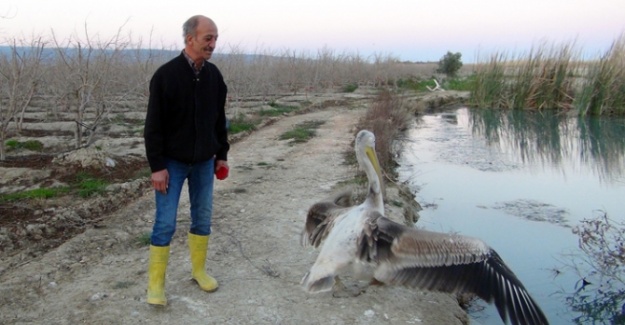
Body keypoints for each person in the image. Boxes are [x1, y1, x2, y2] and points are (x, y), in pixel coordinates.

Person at [143, 15, 229, 306]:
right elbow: (153, 126)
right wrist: (157, 166)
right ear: (190, 38)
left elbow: (219, 120)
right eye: (208, 38)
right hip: (172, 164)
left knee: (202, 219)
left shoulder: (214, 76)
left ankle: (199, 271)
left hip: (205, 162)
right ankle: (156, 286)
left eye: (215, 38)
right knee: (165, 224)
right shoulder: (166, 75)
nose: (213, 44)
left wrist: (221, 155)